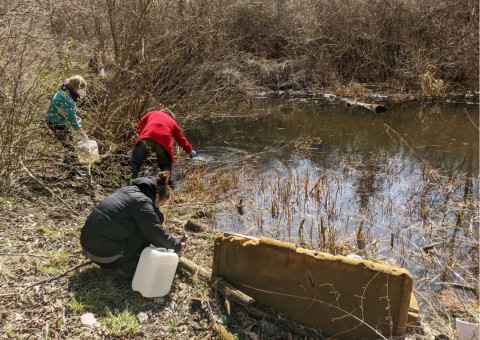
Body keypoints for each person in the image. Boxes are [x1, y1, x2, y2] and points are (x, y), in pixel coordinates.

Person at [80, 171, 186, 278]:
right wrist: (176, 245)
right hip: (106, 258)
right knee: (156, 219)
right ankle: (127, 263)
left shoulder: (127, 190)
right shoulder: (141, 202)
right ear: (157, 196)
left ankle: (127, 256)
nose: (158, 208)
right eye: (159, 204)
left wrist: (169, 239)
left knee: (151, 219)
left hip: (88, 249)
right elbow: (154, 232)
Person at [131, 110, 197, 180]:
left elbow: (137, 126)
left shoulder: (153, 113)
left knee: (135, 162)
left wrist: (132, 140)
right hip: (163, 143)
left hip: (147, 138)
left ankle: (130, 184)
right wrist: (190, 150)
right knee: (166, 168)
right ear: (171, 116)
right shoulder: (172, 121)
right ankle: (166, 188)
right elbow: (181, 139)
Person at [46, 75, 89, 179]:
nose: (83, 91)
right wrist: (82, 133)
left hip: (57, 120)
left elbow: (66, 112)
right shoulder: (68, 99)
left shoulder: (63, 91)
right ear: (76, 87)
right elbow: (71, 119)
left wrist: (73, 117)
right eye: (81, 88)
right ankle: (72, 172)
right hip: (56, 123)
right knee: (70, 148)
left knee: (69, 144)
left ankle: (68, 167)